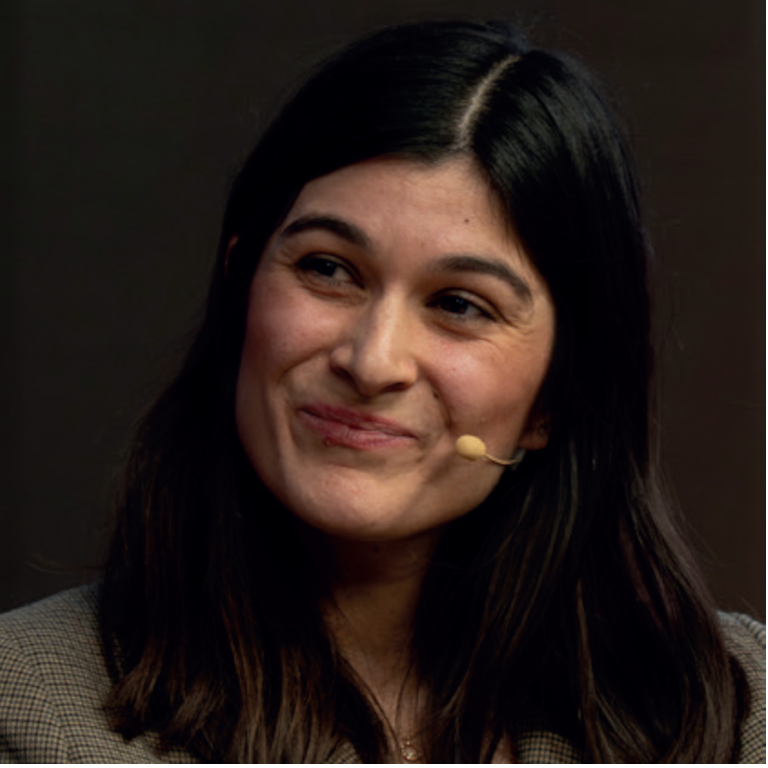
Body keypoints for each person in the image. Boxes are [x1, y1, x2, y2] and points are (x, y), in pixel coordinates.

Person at [0, 20, 764, 764]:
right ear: (237, 288)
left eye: (460, 305)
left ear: (553, 400)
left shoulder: (743, 709)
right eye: (328, 269)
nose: (372, 362)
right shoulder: (28, 703)